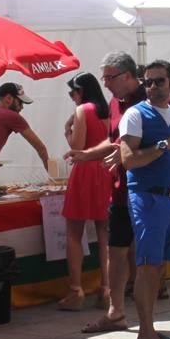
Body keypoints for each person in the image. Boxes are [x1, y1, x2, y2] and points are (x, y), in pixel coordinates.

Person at [75, 52, 170, 336]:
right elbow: (120, 144)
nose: (106, 83)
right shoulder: (120, 104)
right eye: (149, 82)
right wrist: (90, 154)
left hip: (153, 193)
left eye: (110, 77)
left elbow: (160, 146)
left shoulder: (155, 106)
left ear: (127, 76)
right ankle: (118, 313)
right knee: (118, 250)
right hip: (127, 190)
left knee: (168, 255)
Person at [119, 59, 170, 339]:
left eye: (158, 81)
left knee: (158, 267)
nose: (152, 87)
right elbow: (128, 160)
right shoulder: (135, 115)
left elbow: (168, 153)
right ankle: (147, 336)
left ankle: (147, 332)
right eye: (148, 82)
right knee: (147, 269)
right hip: (148, 198)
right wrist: (165, 144)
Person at [58, 73, 113, 311]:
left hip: (85, 170)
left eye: (72, 93)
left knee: (74, 232)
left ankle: (76, 290)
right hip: (107, 169)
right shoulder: (109, 109)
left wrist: (67, 129)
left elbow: (77, 146)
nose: (72, 98)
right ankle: (107, 289)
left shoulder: (83, 110)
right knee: (105, 234)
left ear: (80, 91)